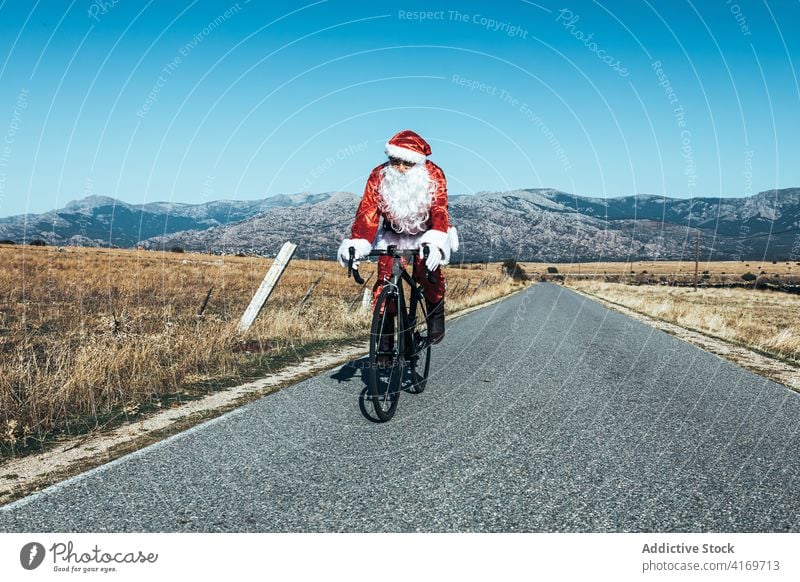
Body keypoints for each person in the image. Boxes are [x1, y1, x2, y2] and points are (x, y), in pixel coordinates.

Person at [337, 129, 458, 344]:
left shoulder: (434, 173)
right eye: (395, 162)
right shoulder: (378, 175)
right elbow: (368, 211)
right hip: (393, 233)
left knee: (429, 274)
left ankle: (435, 314)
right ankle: (385, 338)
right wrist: (358, 241)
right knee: (385, 280)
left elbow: (440, 209)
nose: (401, 168)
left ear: (418, 163)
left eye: (407, 163)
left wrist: (435, 241)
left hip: (426, 233)